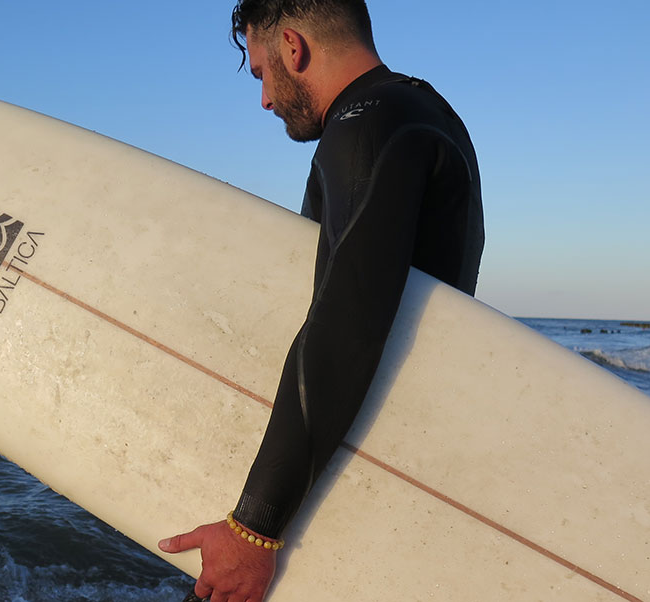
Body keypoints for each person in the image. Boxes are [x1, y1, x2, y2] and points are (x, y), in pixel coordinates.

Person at [158, 2, 484, 600]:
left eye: (260, 74)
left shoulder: (363, 129)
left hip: (342, 458)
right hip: (393, 458)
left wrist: (252, 531)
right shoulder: (423, 110)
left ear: (292, 46)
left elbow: (342, 328)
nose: (263, 101)